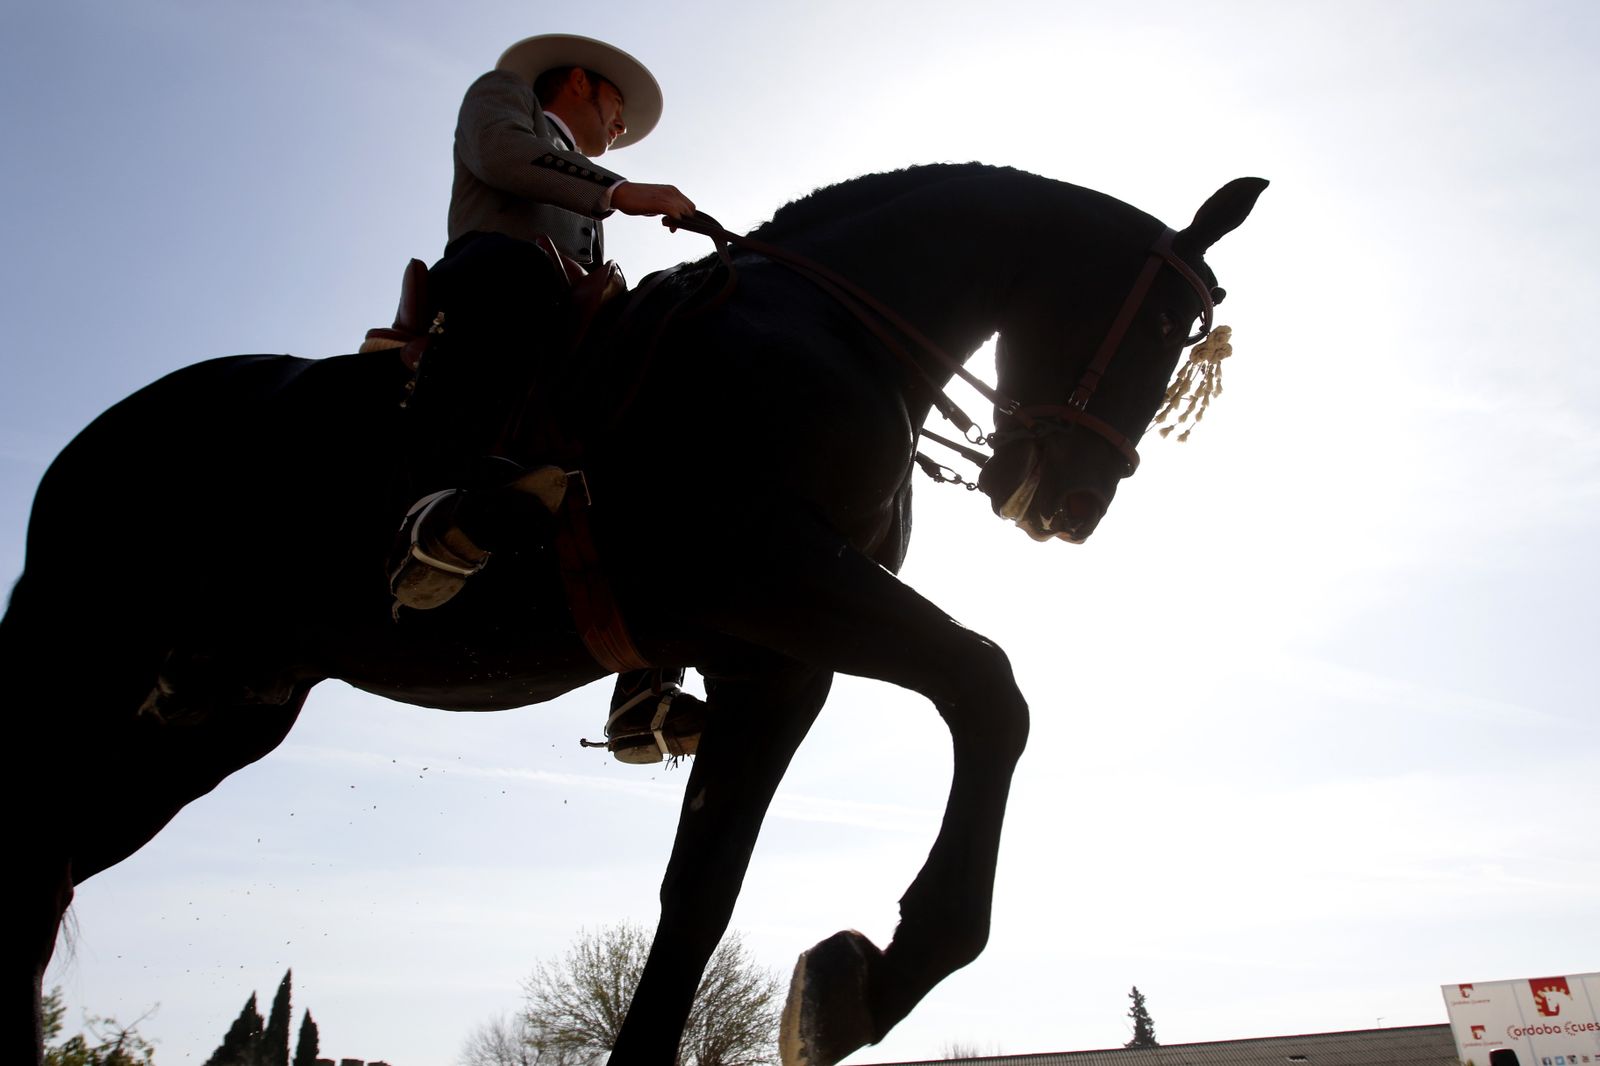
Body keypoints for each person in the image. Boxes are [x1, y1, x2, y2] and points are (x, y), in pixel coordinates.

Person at [390, 34, 703, 764]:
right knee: (521, 269)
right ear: (578, 83)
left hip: (558, 310)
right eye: (618, 106)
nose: (621, 126)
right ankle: (434, 510)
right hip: (490, 284)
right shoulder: (504, 95)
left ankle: (644, 688)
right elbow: (500, 155)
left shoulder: (582, 179)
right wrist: (618, 192)